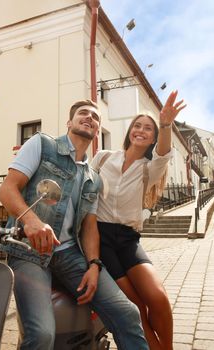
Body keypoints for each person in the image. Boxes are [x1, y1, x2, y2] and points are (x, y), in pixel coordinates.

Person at [0, 99, 149, 350]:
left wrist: (93, 264)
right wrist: (32, 221)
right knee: (42, 334)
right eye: (83, 113)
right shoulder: (42, 145)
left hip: (69, 254)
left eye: (95, 116)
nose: (89, 117)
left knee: (129, 314)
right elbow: (7, 188)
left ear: (98, 130)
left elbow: (89, 227)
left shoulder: (93, 178)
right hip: (28, 250)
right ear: (70, 122)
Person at [91, 90, 186, 350]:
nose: (141, 130)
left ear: (154, 138)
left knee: (158, 298)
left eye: (148, 128)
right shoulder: (104, 157)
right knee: (137, 307)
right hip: (102, 238)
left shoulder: (149, 168)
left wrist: (165, 124)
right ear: (130, 131)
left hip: (129, 239)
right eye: (137, 125)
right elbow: (85, 187)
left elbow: (164, 155)